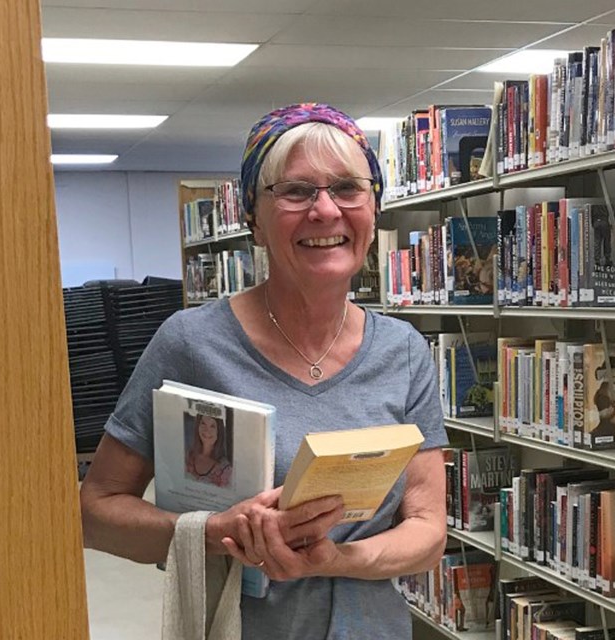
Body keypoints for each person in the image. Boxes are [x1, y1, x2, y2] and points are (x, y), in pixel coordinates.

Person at [80, 103, 448, 639]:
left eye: (348, 188)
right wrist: (213, 532)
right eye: (296, 191)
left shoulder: (405, 352)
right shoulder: (190, 344)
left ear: (374, 209)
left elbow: (427, 531)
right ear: (253, 217)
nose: (325, 211)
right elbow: (95, 513)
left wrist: (333, 558)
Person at [185, 413, 232, 487]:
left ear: (218, 432)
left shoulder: (225, 469)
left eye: (212, 426)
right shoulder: (188, 456)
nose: (207, 430)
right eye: (203, 423)